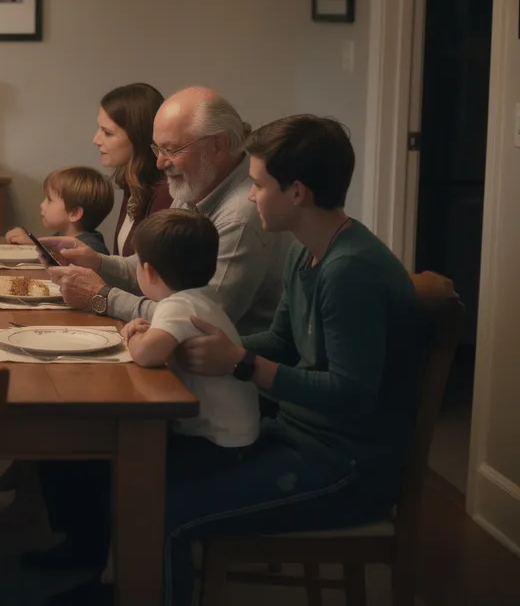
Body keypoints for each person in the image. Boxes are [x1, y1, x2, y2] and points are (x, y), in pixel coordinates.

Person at [75, 115, 424, 606]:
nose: (252, 195)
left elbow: (351, 394)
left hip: (345, 466)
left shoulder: (351, 272)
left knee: (161, 510)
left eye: (258, 185)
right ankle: (115, 588)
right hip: (295, 434)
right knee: (136, 474)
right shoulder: (308, 253)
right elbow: (280, 340)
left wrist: (239, 362)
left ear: (297, 192)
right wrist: (201, 342)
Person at [36, 210, 260, 595]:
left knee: (126, 478)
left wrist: (133, 338)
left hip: (216, 447)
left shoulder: (177, 305)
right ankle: (112, 566)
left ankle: (124, 583)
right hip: (228, 438)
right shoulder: (203, 298)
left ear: (149, 272)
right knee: (112, 471)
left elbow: (149, 354)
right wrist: (143, 333)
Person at [43, 87, 289, 336]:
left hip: (218, 369)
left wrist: (101, 296)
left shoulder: (240, 216)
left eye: (171, 150)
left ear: (217, 146)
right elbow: (152, 265)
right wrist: (96, 262)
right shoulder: (196, 182)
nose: (160, 163)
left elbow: (198, 319)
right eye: (157, 149)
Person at [95, 83, 173, 256]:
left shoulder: (165, 194)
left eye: (107, 132)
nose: (96, 140)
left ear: (137, 136)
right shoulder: (132, 183)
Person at [5, 166, 113, 254]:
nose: (42, 205)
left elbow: (59, 259)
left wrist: (34, 244)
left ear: (74, 213)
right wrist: (32, 243)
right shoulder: (61, 236)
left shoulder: (90, 248)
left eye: (49, 200)